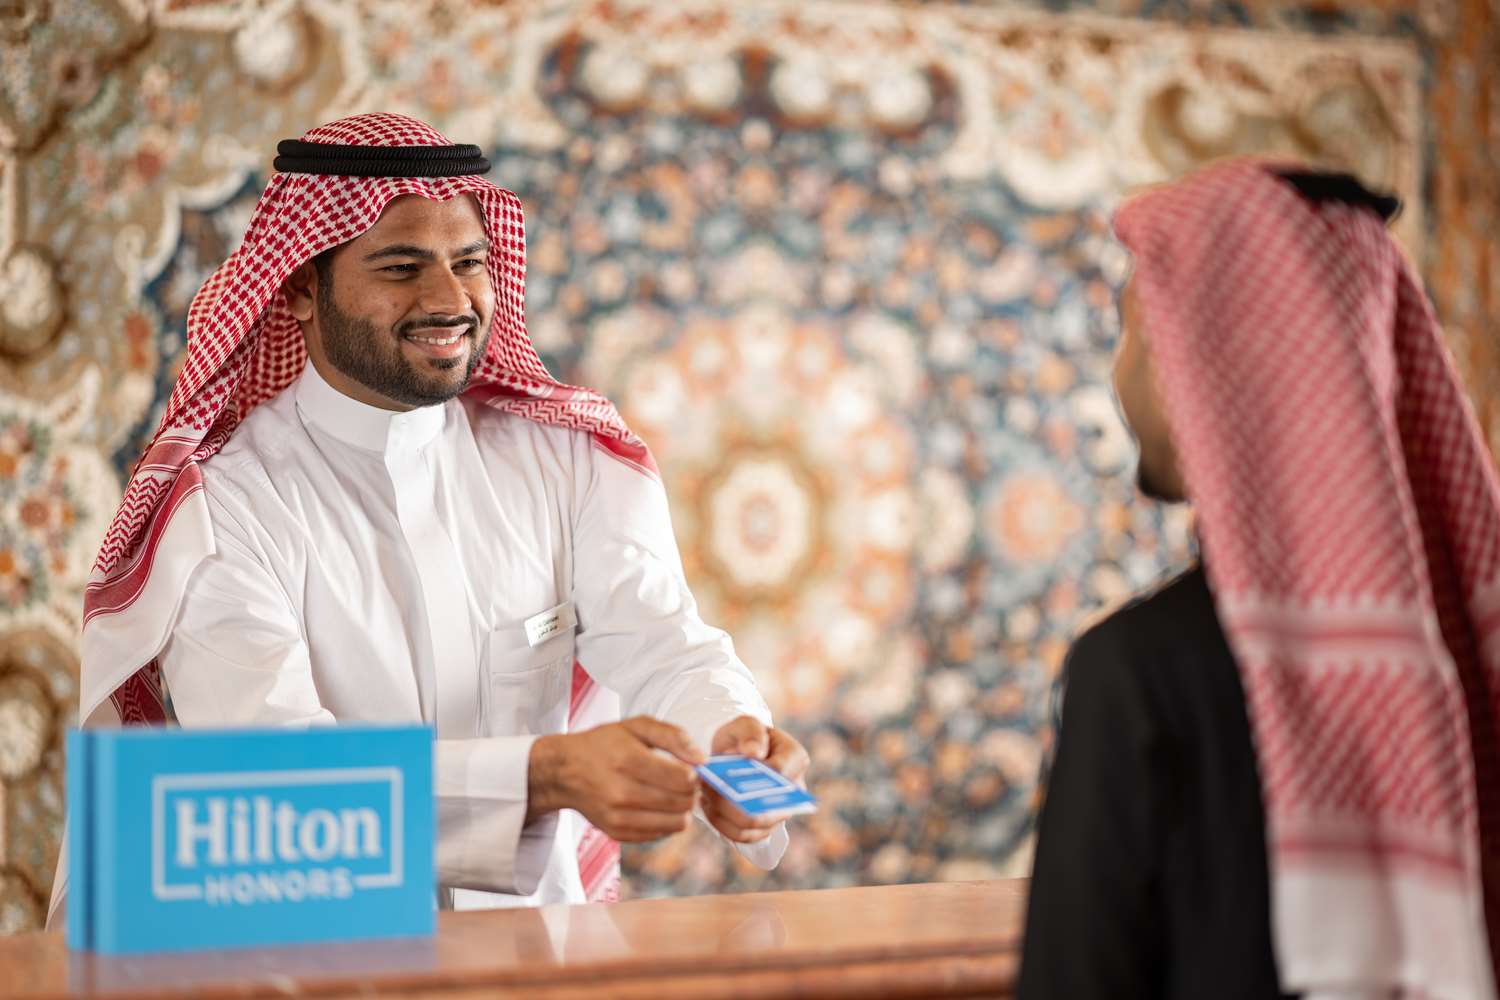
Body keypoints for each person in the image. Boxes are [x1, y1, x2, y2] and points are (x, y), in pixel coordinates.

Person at [49, 113, 808, 922]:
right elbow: (278, 780)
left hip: (547, 955)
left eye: (469, 262)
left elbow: (663, 642)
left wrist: (733, 734)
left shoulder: (564, 460)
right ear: (300, 286)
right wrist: (545, 775)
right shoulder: (227, 508)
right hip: (327, 959)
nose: (449, 300)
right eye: (401, 267)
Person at [1018, 161, 1500, 999]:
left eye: (1134, 330)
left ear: (1204, 365)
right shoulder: (1473, 653)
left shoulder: (1138, 674)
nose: (1120, 372)